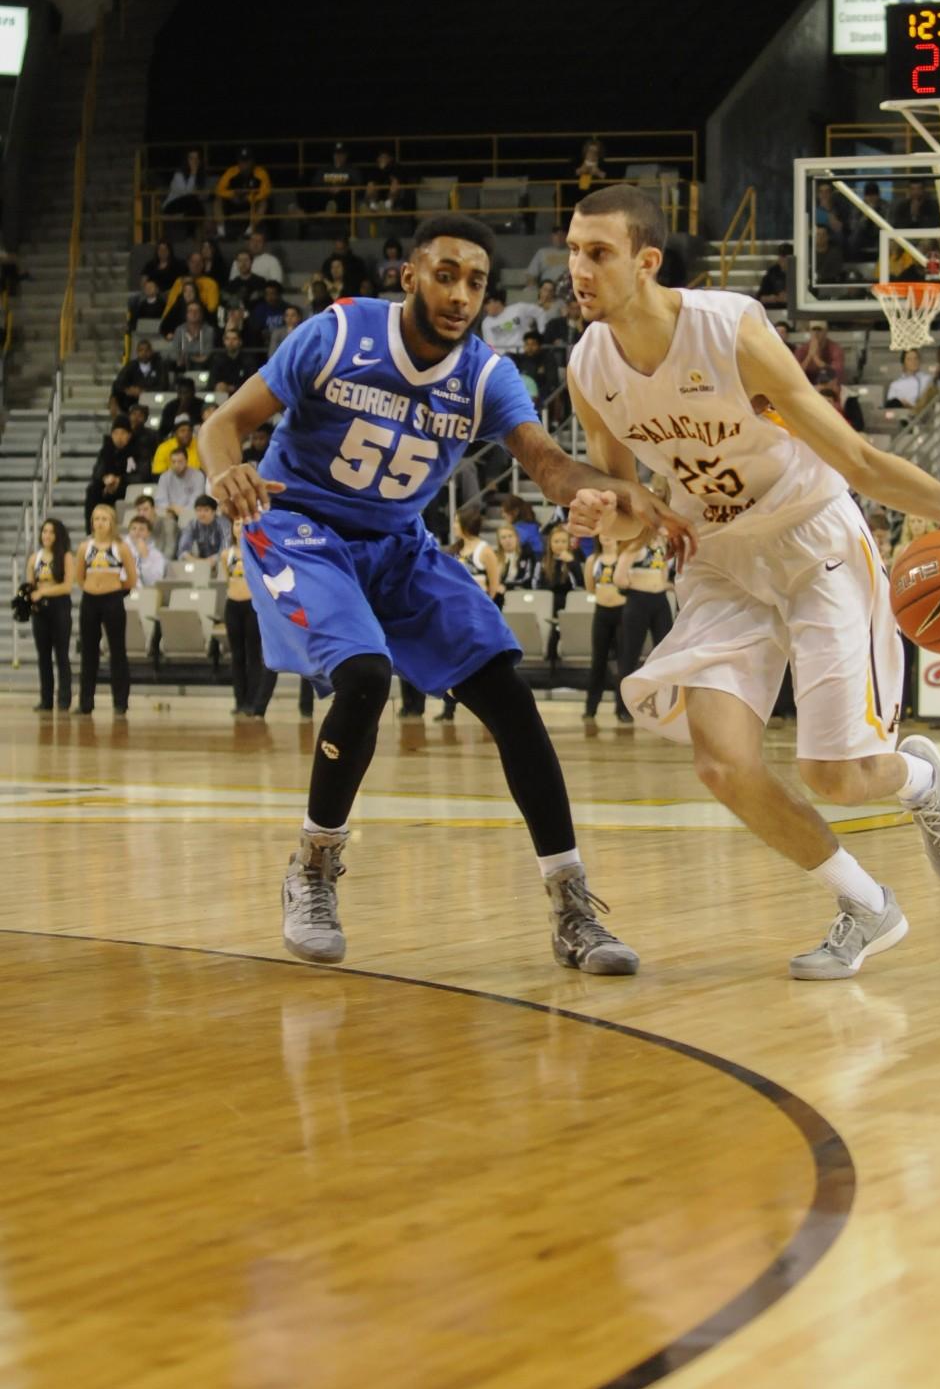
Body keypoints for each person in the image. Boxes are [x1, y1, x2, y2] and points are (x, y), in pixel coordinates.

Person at [197, 213, 681, 973]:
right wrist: (224, 469)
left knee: (506, 694)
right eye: (446, 274)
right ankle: (314, 865)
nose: (461, 294)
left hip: (398, 543)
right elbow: (224, 424)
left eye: (477, 282)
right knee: (364, 675)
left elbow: (551, 467)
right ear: (410, 275)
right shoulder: (337, 333)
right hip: (297, 525)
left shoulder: (487, 377)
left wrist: (612, 494)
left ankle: (570, 904)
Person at [565, 185, 940, 980]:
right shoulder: (588, 367)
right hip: (718, 560)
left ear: (646, 261)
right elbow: (638, 511)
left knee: (836, 775)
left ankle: (916, 778)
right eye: (571, 250)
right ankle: (867, 906)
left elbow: (859, 461)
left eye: (596, 253)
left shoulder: (729, 330)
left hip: (814, 540)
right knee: (721, 763)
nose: (577, 267)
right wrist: (606, 515)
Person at [75, 503, 136, 715]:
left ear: (112, 522)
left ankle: (120, 702)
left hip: (113, 601)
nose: (99, 523)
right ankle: (85, 702)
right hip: (90, 601)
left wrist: (115, 591)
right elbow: (79, 577)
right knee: (88, 652)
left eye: (104, 519)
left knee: (117, 651)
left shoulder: (121, 547)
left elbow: (131, 578)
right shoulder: (85, 547)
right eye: (96, 519)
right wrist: (92, 589)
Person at [615, 526, 673, 724]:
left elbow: (663, 569)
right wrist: (636, 584)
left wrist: (664, 584)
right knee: (630, 655)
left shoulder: (662, 545)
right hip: (638, 601)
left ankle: (664, 705)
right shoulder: (634, 546)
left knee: (665, 654)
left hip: (660, 601)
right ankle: (623, 707)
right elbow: (619, 578)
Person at [220, 521, 268, 717]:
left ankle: (253, 701)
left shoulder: (258, 551)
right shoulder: (226, 554)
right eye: (236, 524)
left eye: (243, 523)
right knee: (237, 655)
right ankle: (239, 700)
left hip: (252, 605)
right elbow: (227, 578)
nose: (239, 527)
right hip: (232, 604)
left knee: (253, 654)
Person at [26, 517, 74, 712]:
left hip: (60, 607)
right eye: (44, 531)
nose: (47, 535)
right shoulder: (34, 558)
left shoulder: (66, 557)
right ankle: (46, 700)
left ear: (58, 535)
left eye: (51, 532)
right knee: (43, 656)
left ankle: (64, 699)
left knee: (61, 654)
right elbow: (31, 586)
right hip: (40, 610)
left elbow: (67, 586)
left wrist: (43, 592)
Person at [583, 537, 628, 727]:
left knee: (624, 662)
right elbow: (590, 588)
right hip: (601, 613)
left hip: (623, 613)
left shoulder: (624, 557)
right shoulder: (593, 560)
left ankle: (623, 709)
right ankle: (591, 708)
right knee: (598, 661)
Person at [154, 443, 202, 546]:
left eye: (180, 461)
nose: (176, 465)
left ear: (186, 461)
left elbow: (197, 499)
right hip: (170, 512)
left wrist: (182, 511)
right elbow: (161, 500)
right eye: (173, 462)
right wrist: (172, 509)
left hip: (190, 512)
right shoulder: (164, 477)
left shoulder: (198, 475)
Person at [216, 147, 272, 233]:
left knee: (264, 202)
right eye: (242, 161)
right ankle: (221, 230)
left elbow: (265, 192)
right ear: (238, 161)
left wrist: (249, 197)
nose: (244, 164)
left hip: (251, 204)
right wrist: (232, 194)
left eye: (247, 161)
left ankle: (251, 228)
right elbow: (219, 190)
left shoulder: (261, 173)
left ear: (252, 161)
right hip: (235, 201)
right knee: (218, 200)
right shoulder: (231, 172)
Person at [481, 286, 538, 356]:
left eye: (487, 303)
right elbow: (490, 345)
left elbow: (520, 323)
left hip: (525, 352)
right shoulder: (486, 323)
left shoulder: (516, 309)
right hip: (504, 356)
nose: (485, 307)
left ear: (497, 302)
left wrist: (500, 328)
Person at [113, 339, 169, 408]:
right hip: (132, 400)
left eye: (147, 350)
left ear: (151, 351)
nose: (144, 353)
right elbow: (118, 383)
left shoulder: (160, 365)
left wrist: (144, 391)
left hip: (153, 399)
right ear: (137, 352)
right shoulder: (131, 365)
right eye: (141, 350)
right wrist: (128, 390)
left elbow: (164, 386)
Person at [163, 147, 211, 222]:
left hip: (190, 206)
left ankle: (220, 231)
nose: (194, 161)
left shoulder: (201, 176)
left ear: (200, 161)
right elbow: (186, 194)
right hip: (172, 205)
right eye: (191, 158)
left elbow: (202, 193)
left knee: (208, 203)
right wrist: (193, 173)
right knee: (194, 202)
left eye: (197, 158)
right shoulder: (179, 175)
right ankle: (208, 226)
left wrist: (204, 195)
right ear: (186, 160)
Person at [167, 300, 216, 370]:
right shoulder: (179, 330)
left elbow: (207, 355)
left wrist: (188, 357)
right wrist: (187, 358)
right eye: (190, 311)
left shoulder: (209, 330)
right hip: (182, 364)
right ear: (186, 314)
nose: (194, 313)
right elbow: (175, 353)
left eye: (197, 311)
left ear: (201, 314)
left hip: (202, 365)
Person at [178, 495, 229, 561]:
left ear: (214, 512)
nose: (202, 514)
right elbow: (182, 551)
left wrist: (214, 559)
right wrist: (197, 561)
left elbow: (226, 549)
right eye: (199, 510)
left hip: (220, 562)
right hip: (200, 563)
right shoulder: (192, 525)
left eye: (206, 510)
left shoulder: (223, 524)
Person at [126, 513, 167, 591]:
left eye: (141, 529)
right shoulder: (118, 550)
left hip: (143, 594)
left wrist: (145, 557)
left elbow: (152, 583)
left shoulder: (156, 555)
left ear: (148, 533)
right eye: (133, 528)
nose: (137, 532)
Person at [495, 521, 537, 596]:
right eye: (503, 537)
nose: (507, 540)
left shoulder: (527, 554)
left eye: (510, 536)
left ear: (517, 538)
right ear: (499, 541)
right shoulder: (494, 556)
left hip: (520, 592)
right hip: (499, 593)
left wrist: (506, 587)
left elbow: (527, 579)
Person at [207, 327, 251, 394]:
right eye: (227, 339)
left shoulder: (248, 360)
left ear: (240, 342)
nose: (230, 342)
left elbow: (251, 383)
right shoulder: (217, 360)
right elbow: (211, 382)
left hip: (243, 395)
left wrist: (231, 388)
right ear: (224, 342)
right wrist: (217, 386)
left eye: (234, 339)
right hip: (222, 397)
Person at [527, 227, 570, 292]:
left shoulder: (573, 252)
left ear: (567, 237)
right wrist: (534, 288)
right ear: (552, 237)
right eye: (556, 235)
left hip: (567, 289)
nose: (559, 238)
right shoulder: (542, 252)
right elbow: (531, 275)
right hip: (547, 288)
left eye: (562, 235)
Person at [884, 348, 927, 413]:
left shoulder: (928, 380)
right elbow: (891, 408)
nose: (913, 362)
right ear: (903, 363)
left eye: (916, 358)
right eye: (909, 359)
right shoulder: (895, 385)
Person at [756, 244, 793, 311]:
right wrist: (776, 298)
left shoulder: (799, 273)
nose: (783, 259)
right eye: (781, 256)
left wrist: (790, 297)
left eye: (785, 256)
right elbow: (760, 297)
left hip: (792, 310)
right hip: (774, 310)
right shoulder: (772, 272)